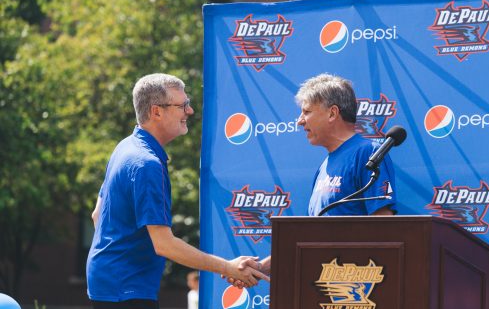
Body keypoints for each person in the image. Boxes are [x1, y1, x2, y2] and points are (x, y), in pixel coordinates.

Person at [87, 73, 268, 309]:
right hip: (127, 290)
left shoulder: (126, 147)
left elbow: (96, 215)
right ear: (156, 112)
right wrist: (228, 267)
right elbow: (164, 245)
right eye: (182, 105)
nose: (190, 111)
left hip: (107, 283)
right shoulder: (147, 164)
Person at [226, 73, 397, 282]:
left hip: (354, 289)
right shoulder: (324, 166)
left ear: (332, 113)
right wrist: (259, 268)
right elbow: (312, 238)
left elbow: (383, 226)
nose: (299, 121)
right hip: (322, 284)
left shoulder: (368, 153)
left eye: (306, 112)